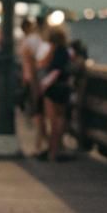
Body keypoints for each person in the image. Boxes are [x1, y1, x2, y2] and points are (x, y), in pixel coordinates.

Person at [37, 25, 73, 162]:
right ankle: (56, 150)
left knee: (53, 121)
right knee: (59, 120)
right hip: (62, 88)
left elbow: (53, 70)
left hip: (52, 88)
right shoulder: (64, 51)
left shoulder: (54, 51)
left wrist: (43, 85)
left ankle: (52, 151)